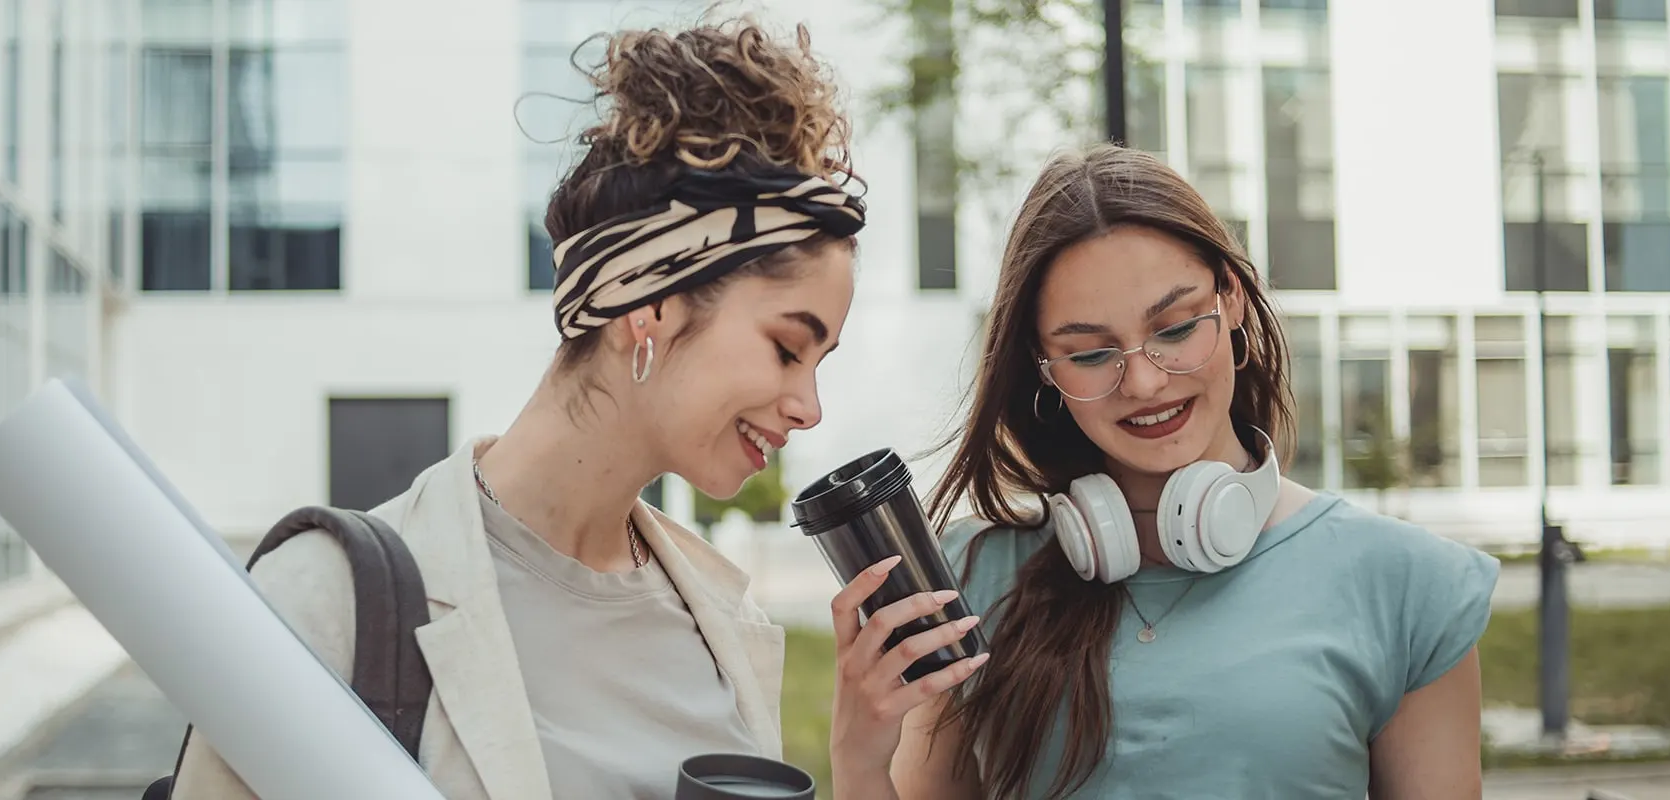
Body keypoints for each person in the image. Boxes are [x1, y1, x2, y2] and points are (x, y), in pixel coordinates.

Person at [168, 15, 871, 800]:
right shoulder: (326, 598)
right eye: (786, 347)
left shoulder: (724, 623)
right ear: (651, 306)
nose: (808, 406)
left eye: (819, 362)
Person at [825, 144, 1498, 799]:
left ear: (1231, 298)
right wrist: (858, 765)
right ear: (1044, 368)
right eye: (1090, 354)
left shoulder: (1408, 585)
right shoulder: (970, 576)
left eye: (1175, 329)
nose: (1144, 382)